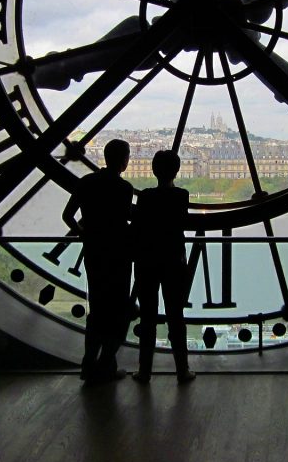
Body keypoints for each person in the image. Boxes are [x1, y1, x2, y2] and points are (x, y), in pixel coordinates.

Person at [62, 139, 134, 385]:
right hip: (118, 254)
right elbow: (127, 220)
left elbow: (67, 215)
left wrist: (84, 233)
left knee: (98, 309)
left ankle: (90, 363)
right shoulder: (124, 189)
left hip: (94, 251)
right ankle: (106, 363)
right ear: (123, 161)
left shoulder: (87, 183)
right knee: (118, 311)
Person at [131, 150, 195, 384]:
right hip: (173, 260)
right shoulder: (181, 195)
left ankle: (145, 370)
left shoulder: (146, 197)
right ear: (176, 171)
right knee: (176, 317)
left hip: (147, 261)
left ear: (154, 170)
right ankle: (181, 369)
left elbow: (138, 226)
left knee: (147, 318)